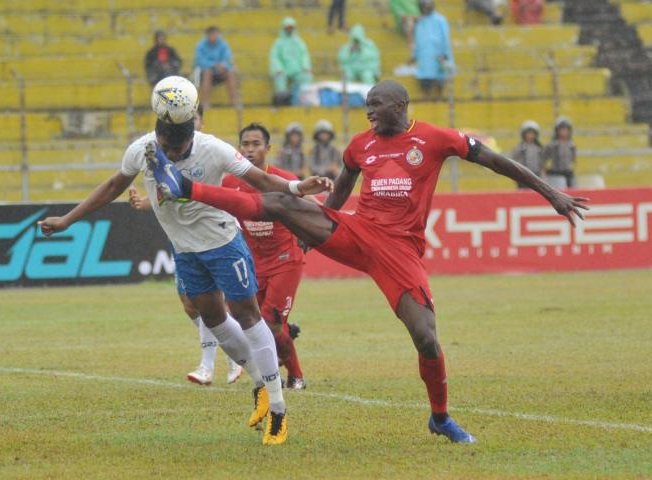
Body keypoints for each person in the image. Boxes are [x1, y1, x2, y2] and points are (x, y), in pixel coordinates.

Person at [152, 80, 589, 444]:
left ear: (400, 105)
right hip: (356, 231)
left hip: (400, 251)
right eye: (366, 107)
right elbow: (340, 193)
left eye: (376, 105)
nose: (369, 113)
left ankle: (439, 418)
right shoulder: (361, 145)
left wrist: (551, 192)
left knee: (426, 338)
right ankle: (186, 188)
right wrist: (314, 230)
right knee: (279, 202)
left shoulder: (435, 138)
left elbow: (496, 161)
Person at [38, 77, 334, 446]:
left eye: (178, 149)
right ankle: (259, 381)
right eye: (167, 149)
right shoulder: (143, 149)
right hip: (186, 250)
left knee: (248, 315)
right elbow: (113, 186)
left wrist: (295, 187)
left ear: (191, 132)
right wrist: (67, 219)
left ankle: (278, 409)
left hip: (224, 243)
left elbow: (259, 179)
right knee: (210, 316)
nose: (172, 154)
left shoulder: (213, 149)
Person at [129, 105, 243, 386]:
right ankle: (230, 357)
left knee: (212, 305)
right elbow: (169, 197)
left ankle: (215, 363)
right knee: (190, 304)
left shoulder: (214, 154)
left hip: (213, 239)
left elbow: (219, 195)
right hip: (182, 240)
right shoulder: (163, 157)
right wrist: (145, 202)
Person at [222, 123, 308, 389]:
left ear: (267, 149)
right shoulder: (230, 182)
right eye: (245, 144)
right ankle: (282, 345)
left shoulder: (281, 179)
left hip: (285, 260)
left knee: (270, 323)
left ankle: (296, 377)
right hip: (253, 263)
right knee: (251, 323)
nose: (250, 149)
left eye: (255, 144)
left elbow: (309, 207)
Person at [413, 0, 454, 99]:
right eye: (423, 7)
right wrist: (415, 55)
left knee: (440, 77)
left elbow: (445, 38)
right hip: (424, 57)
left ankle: (440, 98)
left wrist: (444, 54)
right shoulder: (420, 22)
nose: (425, 9)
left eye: (428, 6)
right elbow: (417, 40)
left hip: (438, 54)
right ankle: (427, 99)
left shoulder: (440, 20)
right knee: (425, 80)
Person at [270, 17, 313, 106]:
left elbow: (304, 55)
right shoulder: (278, 43)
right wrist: (278, 68)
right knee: (279, 78)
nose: (289, 30)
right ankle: (282, 102)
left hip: (297, 70)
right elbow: (274, 57)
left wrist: (305, 67)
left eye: (291, 28)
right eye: (287, 28)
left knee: (307, 77)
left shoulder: (299, 42)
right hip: (283, 70)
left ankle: (304, 101)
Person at [194, 26, 239, 109]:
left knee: (230, 73)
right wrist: (214, 65)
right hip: (205, 71)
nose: (213, 36)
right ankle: (205, 102)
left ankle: (234, 101)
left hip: (220, 71)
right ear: (207, 35)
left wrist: (223, 65)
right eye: (211, 34)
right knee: (208, 72)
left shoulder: (223, 45)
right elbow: (200, 61)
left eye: (215, 34)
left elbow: (228, 59)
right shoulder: (201, 45)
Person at [543, 116, 576, 188]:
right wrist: (544, 174)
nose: (564, 132)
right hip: (555, 175)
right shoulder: (552, 145)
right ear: (557, 131)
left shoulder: (571, 145)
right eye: (562, 129)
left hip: (568, 174)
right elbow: (544, 160)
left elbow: (572, 160)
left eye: (566, 129)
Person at [510, 120, 544, 189]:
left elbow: (542, 162)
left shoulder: (539, 147)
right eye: (528, 133)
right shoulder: (520, 147)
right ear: (523, 134)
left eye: (532, 133)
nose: (530, 135)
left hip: (536, 175)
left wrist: (543, 174)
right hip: (523, 175)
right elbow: (514, 161)